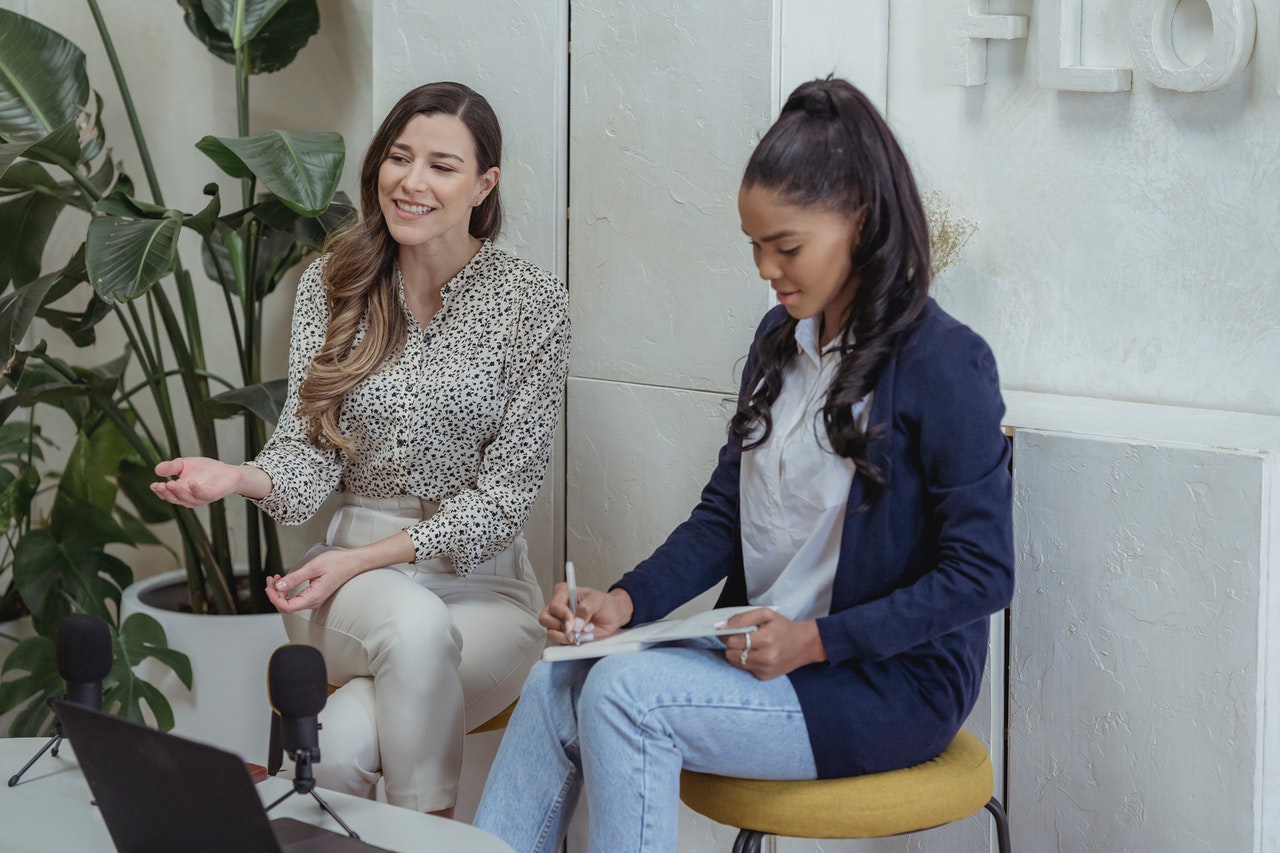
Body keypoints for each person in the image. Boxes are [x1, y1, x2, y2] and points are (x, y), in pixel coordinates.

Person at [472, 77, 1014, 852]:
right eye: (755, 245)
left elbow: (983, 573)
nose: (766, 267)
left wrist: (813, 642)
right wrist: (625, 601)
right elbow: (724, 518)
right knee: (558, 675)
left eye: (786, 246)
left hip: (883, 683)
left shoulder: (945, 362)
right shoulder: (778, 340)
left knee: (627, 698)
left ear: (858, 218)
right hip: (760, 651)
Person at [150, 82, 570, 817]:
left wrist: (364, 557)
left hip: (489, 591)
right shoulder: (335, 283)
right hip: (345, 592)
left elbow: (503, 501)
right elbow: (307, 460)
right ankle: (435, 836)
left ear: (484, 184)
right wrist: (239, 476)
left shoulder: (533, 304)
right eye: (399, 158)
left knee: (342, 743)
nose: (412, 181)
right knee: (410, 624)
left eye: (442, 165)